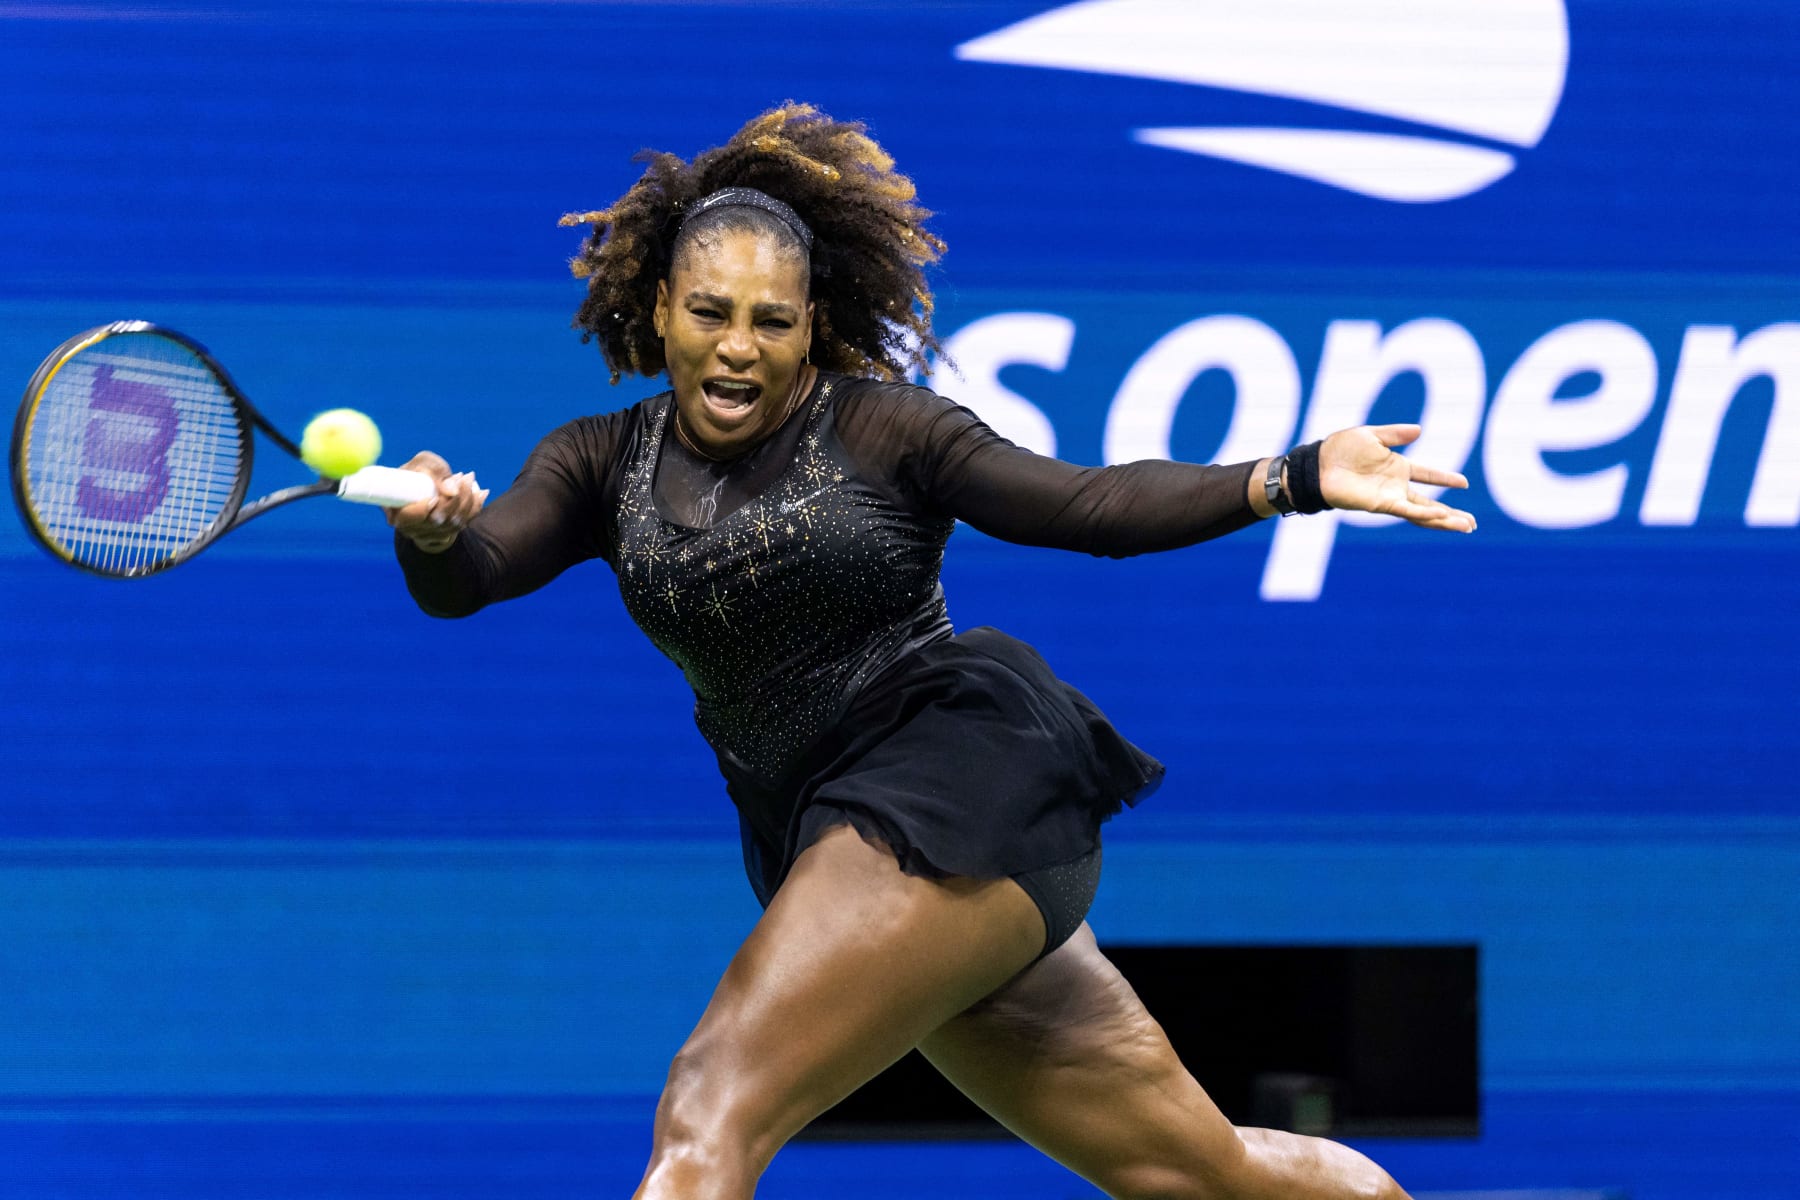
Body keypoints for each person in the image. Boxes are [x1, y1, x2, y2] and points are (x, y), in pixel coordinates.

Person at [389, 103, 1474, 1200]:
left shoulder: (885, 429)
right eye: (710, 312)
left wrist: (1293, 476)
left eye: (772, 320)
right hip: (829, 836)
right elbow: (470, 576)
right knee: (1201, 1174)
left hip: (946, 793)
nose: (738, 346)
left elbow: (1092, 507)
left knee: (708, 1112)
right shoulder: (596, 461)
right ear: (661, 306)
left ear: (812, 324)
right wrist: (431, 534)